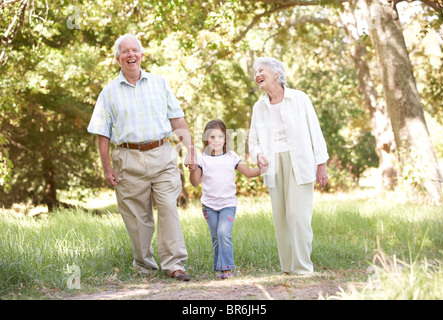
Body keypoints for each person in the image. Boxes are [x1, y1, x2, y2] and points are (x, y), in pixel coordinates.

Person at [87, 34, 196, 281]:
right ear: (117, 59)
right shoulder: (108, 93)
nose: (130, 55)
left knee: (168, 206)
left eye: (135, 50)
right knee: (137, 216)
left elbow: (177, 120)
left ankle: (174, 264)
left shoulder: (160, 83)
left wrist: (191, 150)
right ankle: (145, 265)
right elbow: (102, 134)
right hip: (127, 157)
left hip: (162, 153)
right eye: (124, 52)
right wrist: (106, 168)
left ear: (142, 55)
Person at [249, 57, 329, 275]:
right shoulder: (259, 107)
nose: (257, 75)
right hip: (273, 165)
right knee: (281, 217)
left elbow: (315, 131)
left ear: (276, 73)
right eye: (255, 72)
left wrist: (321, 164)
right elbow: (253, 140)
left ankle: (303, 268)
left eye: (261, 70)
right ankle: (287, 268)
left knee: (298, 216)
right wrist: (258, 154)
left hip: (300, 162)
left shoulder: (299, 99)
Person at [189, 120, 264, 279]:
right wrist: (193, 169)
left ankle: (227, 268)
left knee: (223, 233)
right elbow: (195, 182)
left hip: (227, 204)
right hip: (209, 205)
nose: (216, 140)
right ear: (206, 139)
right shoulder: (202, 159)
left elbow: (249, 173)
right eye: (212, 137)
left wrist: (263, 169)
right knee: (216, 236)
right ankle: (220, 269)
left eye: (220, 136)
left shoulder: (231, 157)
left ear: (225, 139)